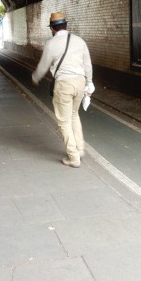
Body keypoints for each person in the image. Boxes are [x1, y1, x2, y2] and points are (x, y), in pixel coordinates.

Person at [32, 12, 94, 168]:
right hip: (80, 82)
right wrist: (90, 82)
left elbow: (43, 66)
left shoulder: (51, 44)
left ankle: (73, 157)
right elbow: (87, 64)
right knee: (73, 114)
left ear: (52, 28)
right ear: (66, 25)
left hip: (64, 84)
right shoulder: (80, 41)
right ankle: (80, 149)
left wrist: (35, 78)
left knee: (64, 121)